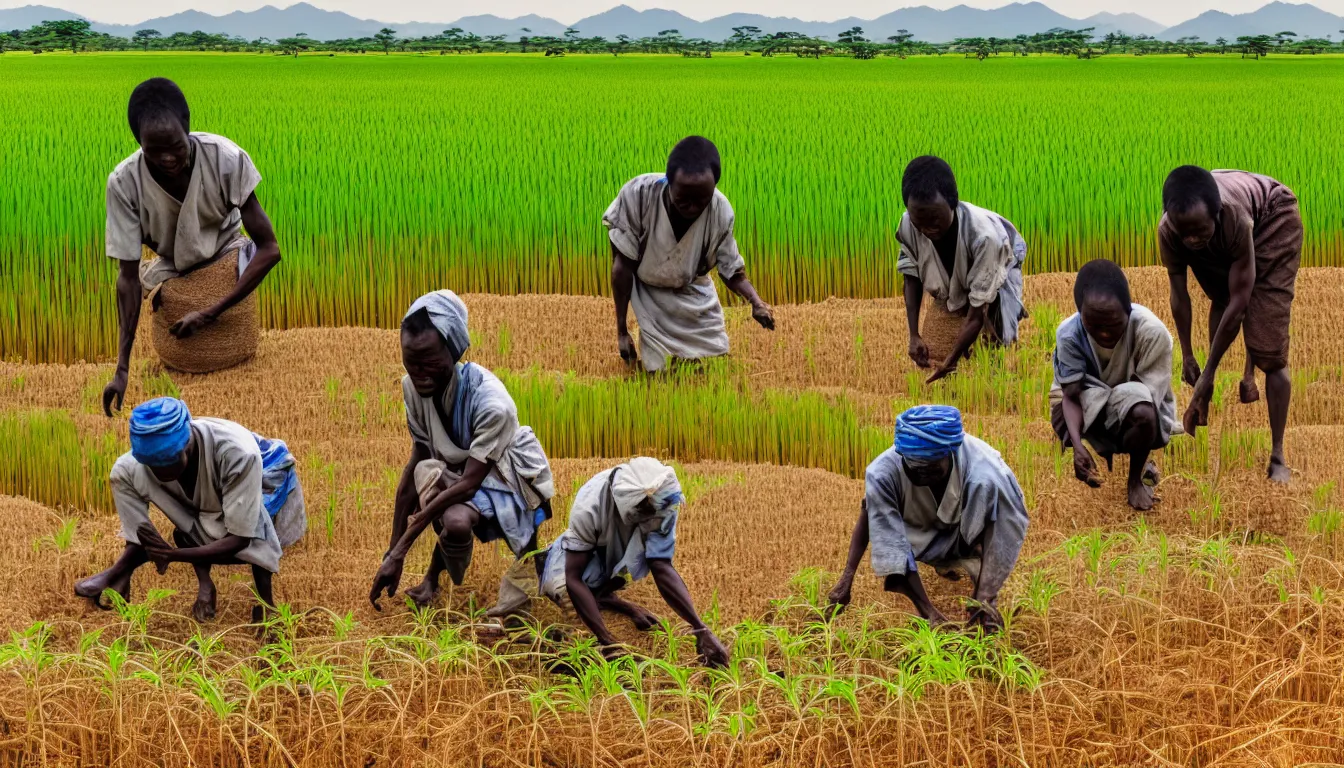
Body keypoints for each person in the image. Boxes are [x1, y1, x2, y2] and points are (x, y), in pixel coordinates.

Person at [102, 78, 283, 416]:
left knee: (220, 291)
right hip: (172, 263)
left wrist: (210, 312)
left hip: (226, 247)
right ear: (138, 143)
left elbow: (269, 249)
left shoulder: (225, 158)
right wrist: (122, 368)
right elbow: (127, 277)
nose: (167, 158)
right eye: (154, 151)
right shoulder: (125, 184)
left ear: (187, 127)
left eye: (175, 145)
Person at [370, 290, 556, 615]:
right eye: (410, 360)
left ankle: (532, 589)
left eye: (430, 360)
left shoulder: (492, 404)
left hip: (508, 471)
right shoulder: (413, 389)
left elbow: (469, 485)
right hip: (461, 469)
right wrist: (391, 552)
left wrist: (402, 549)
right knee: (450, 520)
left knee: (524, 543)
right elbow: (419, 461)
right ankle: (433, 578)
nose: (418, 372)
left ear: (455, 351)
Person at [74, 397, 306, 622]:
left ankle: (265, 604)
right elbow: (143, 525)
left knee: (250, 524)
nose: (159, 474)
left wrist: (173, 555)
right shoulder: (139, 463)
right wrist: (123, 570)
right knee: (133, 481)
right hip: (205, 503)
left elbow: (241, 538)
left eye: (167, 465)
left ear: (187, 446)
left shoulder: (236, 454)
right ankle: (195, 582)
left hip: (264, 481)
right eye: (153, 467)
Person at [1159, 166, 1302, 483]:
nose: (1193, 240)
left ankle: (1278, 456)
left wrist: (1207, 377)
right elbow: (1179, 294)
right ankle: (1237, 376)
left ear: (1217, 213)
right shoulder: (1171, 231)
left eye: (1201, 231)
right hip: (1231, 216)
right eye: (1187, 234)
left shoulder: (1235, 217)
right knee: (1220, 296)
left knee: (1268, 348)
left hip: (1273, 217)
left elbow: (1241, 301)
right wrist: (1188, 356)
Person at [827, 405, 1028, 631]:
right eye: (916, 468)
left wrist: (985, 598)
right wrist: (929, 613)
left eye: (933, 469)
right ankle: (940, 586)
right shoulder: (883, 472)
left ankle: (980, 594)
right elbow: (876, 522)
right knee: (883, 519)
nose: (923, 473)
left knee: (985, 583)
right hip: (918, 531)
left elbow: (1004, 532)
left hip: (966, 533)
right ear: (902, 454)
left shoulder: (987, 473)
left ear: (950, 454)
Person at [605, 135, 775, 372]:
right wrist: (621, 331)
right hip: (648, 290)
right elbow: (622, 266)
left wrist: (756, 303)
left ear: (713, 188)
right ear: (668, 182)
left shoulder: (720, 211)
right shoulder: (639, 196)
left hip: (692, 289)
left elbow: (733, 271)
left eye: (701, 200)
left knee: (713, 361)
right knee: (658, 369)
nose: (692, 208)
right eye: (683, 199)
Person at [540, 457, 729, 666]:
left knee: (610, 578)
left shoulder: (662, 499)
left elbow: (661, 565)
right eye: (650, 514)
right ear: (636, 508)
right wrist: (608, 642)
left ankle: (609, 596)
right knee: (561, 588)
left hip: (617, 551)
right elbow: (573, 577)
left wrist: (700, 628)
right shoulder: (590, 504)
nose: (657, 518)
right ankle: (556, 562)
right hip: (588, 550)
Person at [1050, 260, 1179, 511]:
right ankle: (1089, 454)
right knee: (1060, 414)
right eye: (1095, 325)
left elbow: (1147, 399)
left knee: (1143, 415)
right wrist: (1077, 446)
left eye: (1113, 323)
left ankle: (1135, 480)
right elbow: (1071, 395)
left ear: (1128, 311)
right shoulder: (1069, 333)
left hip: (1135, 403)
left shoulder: (1151, 332)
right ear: (1079, 314)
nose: (1105, 333)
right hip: (1088, 400)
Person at [897, 156, 1027, 383]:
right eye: (920, 221)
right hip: (956, 275)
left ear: (953, 203)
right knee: (943, 338)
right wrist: (913, 334)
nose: (927, 228)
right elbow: (911, 276)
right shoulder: (908, 224)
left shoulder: (985, 238)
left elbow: (978, 313)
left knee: (993, 346)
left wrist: (951, 360)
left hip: (1000, 263)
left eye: (934, 219)